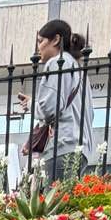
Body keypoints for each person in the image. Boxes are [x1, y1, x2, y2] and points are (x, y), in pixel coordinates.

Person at [14, 20, 95, 184]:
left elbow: (48, 109)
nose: (38, 48)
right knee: (67, 200)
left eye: (41, 41)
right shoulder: (78, 69)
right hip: (81, 147)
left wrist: (32, 105)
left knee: (55, 203)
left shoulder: (57, 62)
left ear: (56, 40)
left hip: (63, 145)